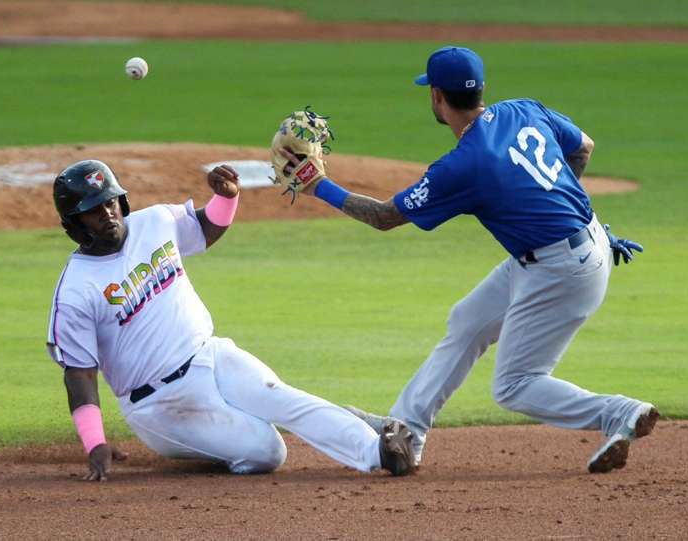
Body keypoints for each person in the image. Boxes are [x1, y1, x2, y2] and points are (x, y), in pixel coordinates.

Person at [280, 45, 658, 474]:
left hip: (560, 269)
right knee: (467, 321)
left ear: (437, 97)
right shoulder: (522, 109)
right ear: (481, 90)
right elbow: (583, 148)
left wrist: (319, 186)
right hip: (576, 245)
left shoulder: (462, 165)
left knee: (515, 385)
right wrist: (571, 214)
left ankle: (617, 413)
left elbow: (385, 217)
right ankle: (406, 433)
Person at [45, 159, 415, 481]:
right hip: (158, 406)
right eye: (95, 210)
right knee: (267, 451)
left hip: (212, 356)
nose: (108, 214)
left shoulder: (154, 222)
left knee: (282, 398)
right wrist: (95, 443)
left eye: (110, 202)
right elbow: (79, 374)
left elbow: (205, 229)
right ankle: (232, 438)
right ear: (75, 224)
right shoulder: (76, 290)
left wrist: (227, 197)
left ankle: (376, 450)